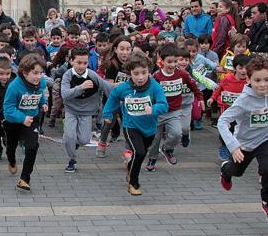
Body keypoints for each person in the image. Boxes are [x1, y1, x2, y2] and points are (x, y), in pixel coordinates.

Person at [217, 56, 268, 223]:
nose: (263, 84)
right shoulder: (244, 100)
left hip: (265, 141)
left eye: (267, 79)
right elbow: (222, 121)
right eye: (257, 80)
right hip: (244, 145)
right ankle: (225, 171)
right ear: (249, 80)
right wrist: (233, 146)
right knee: (236, 172)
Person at [102, 52, 169, 195]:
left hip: (149, 128)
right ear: (130, 72)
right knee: (139, 152)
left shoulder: (155, 87)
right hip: (130, 126)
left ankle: (130, 169)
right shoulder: (123, 88)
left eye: (144, 73)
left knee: (139, 155)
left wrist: (153, 109)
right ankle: (134, 183)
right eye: (136, 73)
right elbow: (113, 98)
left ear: (149, 71)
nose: (140, 77)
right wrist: (107, 114)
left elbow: (164, 105)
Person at [147, 43, 203, 169]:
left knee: (177, 134)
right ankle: (152, 158)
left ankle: (167, 149)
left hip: (174, 112)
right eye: (169, 62)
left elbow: (194, 85)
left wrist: (200, 98)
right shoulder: (156, 76)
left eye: (175, 61)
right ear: (162, 61)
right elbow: (149, 93)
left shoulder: (182, 74)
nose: (172, 65)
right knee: (155, 138)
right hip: (158, 112)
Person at [61, 46, 113, 173]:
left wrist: (122, 92)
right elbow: (65, 94)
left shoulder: (92, 75)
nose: (82, 66)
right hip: (71, 111)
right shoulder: (67, 75)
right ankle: (72, 160)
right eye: (79, 62)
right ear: (71, 61)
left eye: (85, 63)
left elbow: (107, 88)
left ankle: (75, 145)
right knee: (69, 137)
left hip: (87, 112)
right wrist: (81, 87)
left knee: (84, 139)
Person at [3, 53, 48, 192]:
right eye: (35, 73)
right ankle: (11, 160)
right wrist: (22, 118)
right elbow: (8, 109)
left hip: (32, 119)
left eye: (41, 72)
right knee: (11, 146)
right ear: (24, 72)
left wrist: (43, 103)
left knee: (32, 146)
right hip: (13, 122)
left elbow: (39, 95)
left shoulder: (41, 83)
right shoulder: (14, 86)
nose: (38, 76)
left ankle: (24, 179)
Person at [209, 55, 251, 160]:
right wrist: (212, 98)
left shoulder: (249, 81)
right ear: (235, 68)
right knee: (226, 127)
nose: (243, 71)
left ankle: (235, 147)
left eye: (246, 68)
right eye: (240, 68)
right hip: (226, 107)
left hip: (241, 110)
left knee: (238, 129)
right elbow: (219, 89)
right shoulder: (227, 78)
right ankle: (224, 146)